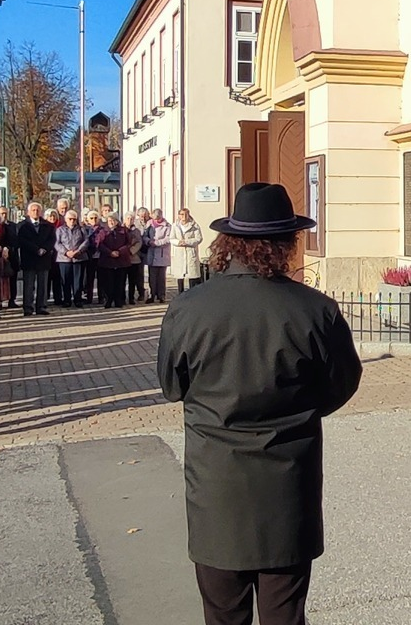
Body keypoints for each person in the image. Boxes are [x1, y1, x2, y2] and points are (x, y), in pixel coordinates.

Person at [157, 183, 363, 625]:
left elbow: (172, 385)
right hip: (288, 477)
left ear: (228, 241)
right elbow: (342, 383)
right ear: (287, 243)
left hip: (217, 480)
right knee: (284, 614)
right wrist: (299, 410)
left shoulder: (189, 308)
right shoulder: (315, 309)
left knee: (223, 614)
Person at [12, 202, 56, 316]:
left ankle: (41, 306)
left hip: (44, 258)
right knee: (29, 285)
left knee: (43, 285)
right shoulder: (22, 226)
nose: (35, 212)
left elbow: (52, 240)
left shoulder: (48, 225)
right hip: (29, 258)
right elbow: (22, 240)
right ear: (28, 212)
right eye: (33, 210)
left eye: (37, 210)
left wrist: (44, 249)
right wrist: (36, 249)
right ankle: (28, 308)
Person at [95, 212, 135, 309]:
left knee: (120, 282)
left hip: (121, 261)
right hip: (107, 261)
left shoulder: (123, 231)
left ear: (117, 221)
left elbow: (128, 243)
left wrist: (119, 252)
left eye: (113, 220)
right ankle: (109, 300)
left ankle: (118, 300)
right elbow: (99, 244)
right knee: (108, 282)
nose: (111, 222)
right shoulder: (103, 231)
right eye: (109, 220)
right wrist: (110, 252)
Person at [54, 208, 92, 308]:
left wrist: (78, 251)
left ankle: (77, 300)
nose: (72, 221)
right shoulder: (60, 230)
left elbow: (86, 241)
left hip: (79, 258)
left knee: (78, 281)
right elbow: (57, 243)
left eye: (74, 219)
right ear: (66, 219)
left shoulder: (81, 229)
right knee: (65, 281)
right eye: (70, 219)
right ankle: (67, 300)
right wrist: (66, 252)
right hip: (64, 259)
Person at [171, 208, 204, 294]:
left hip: (190, 252)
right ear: (179, 215)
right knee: (180, 275)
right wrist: (178, 242)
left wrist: (187, 242)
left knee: (192, 275)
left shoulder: (194, 226)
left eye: (185, 214)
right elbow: (171, 238)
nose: (184, 216)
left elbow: (199, 238)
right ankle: (180, 293)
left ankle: (192, 293)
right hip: (180, 253)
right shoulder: (175, 226)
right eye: (182, 214)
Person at [144, 208, 172, 303]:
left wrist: (157, 242)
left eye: (158, 218)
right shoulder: (149, 224)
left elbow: (169, 238)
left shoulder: (167, 226)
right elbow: (145, 236)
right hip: (151, 253)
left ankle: (161, 295)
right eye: (155, 218)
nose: (157, 220)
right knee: (152, 276)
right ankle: (152, 295)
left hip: (162, 254)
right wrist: (149, 241)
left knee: (161, 277)